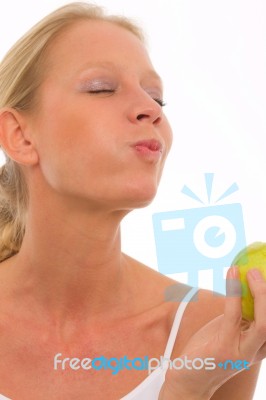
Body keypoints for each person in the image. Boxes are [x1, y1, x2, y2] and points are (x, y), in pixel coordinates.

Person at [0, 2, 265, 399]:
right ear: (20, 136)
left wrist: (185, 390)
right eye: (101, 88)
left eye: (157, 98)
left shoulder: (213, 332)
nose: (150, 110)